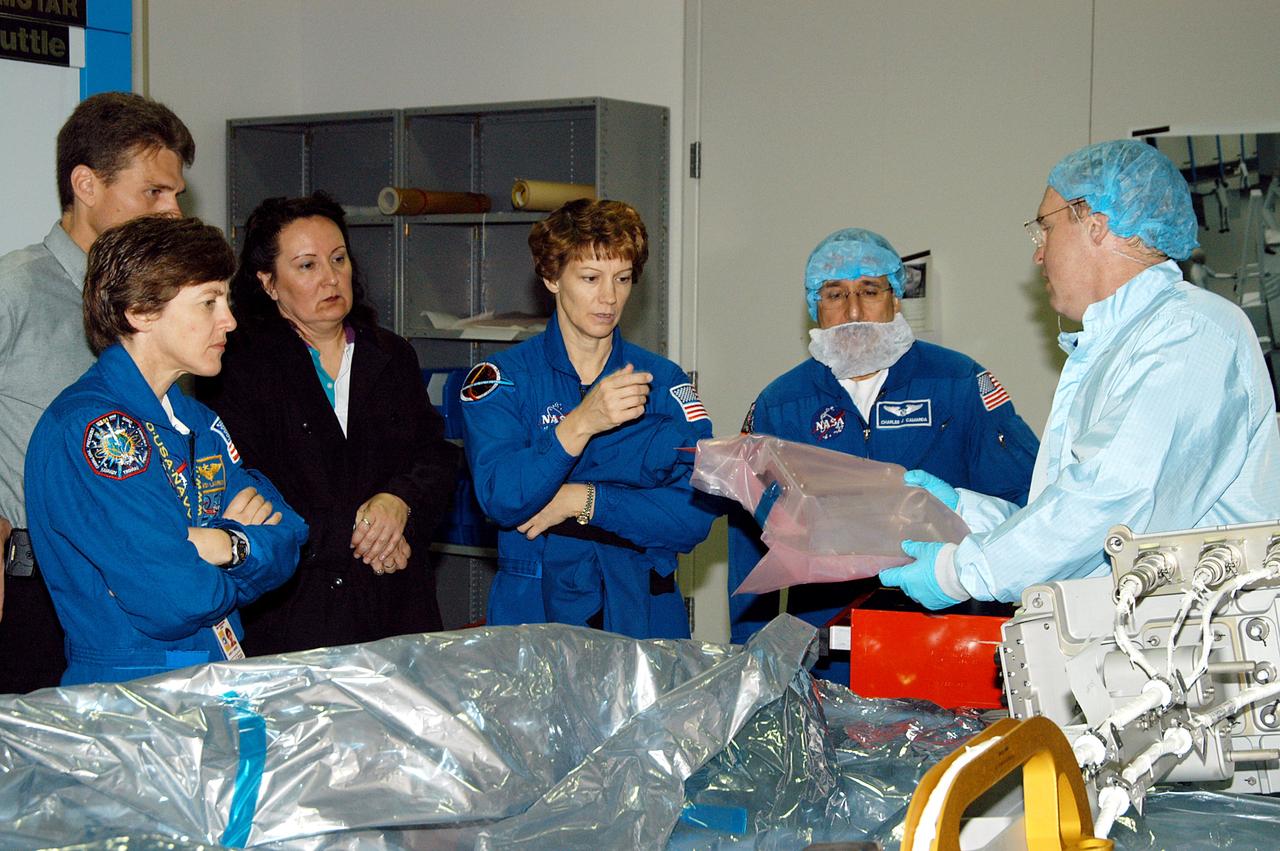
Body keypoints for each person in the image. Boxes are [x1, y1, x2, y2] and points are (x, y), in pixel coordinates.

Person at [880, 140, 1280, 608]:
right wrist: (963, 512)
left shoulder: (1192, 330)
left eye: (1044, 229)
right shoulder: (1119, 343)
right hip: (1147, 645)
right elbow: (1071, 524)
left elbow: (1114, 501)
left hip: (1202, 653)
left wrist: (962, 572)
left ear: (1096, 225)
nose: (1038, 254)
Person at [729, 228, 1039, 662]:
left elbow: (1025, 506)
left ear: (896, 298)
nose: (854, 311)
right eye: (835, 294)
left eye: (870, 291)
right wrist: (754, 657)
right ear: (814, 307)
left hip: (949, 636)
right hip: (827, 648)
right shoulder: (781, 405)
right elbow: (750, 541)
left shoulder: (957, 382)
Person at [24, 215, 308, 685]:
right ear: (140, 311)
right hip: (137, 695)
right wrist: (239, 541)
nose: (230, 320)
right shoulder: (95, 431)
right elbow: (173, 599)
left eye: (227, 299)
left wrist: (223, 544)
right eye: (209, 302)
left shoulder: (196, 420)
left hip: (215, 674)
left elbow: (290, 534)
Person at [197, 193, 459, 655]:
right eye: (306, 266)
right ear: (269, 283)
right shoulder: (239, 366)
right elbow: (251, 491)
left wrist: (400, 501)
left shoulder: (390, 354)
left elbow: (433, 455)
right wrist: (366, 534)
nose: (330, 277)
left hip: (396, 603)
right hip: (299, 610)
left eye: (338, 259)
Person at [0, 91, 194, 692]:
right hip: (34, 591)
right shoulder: (15, 290)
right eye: (154, 193)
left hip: (147, 580)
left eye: (177, 194)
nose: (173, 213)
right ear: (86, 185)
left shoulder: (166, 303)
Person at [460, 199, 717, 639]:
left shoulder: (664, 382)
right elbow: (502, 497)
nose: (609, 297)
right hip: (535, 612)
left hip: (645, 612)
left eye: (622, 279)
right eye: (590, 278)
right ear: (551, 278)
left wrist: (583, 500)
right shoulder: (504, 381)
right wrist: (580, 423)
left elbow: (694, 517)